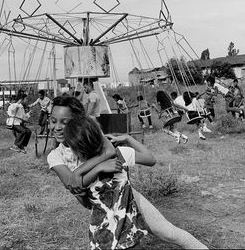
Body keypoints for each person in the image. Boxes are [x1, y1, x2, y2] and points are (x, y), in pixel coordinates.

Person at [47, 95, 208, 250]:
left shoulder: (91, 136)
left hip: (126, 198)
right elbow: (72, 184)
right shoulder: (55, 156)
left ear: (79, 122)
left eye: (65, 122)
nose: (58, 127)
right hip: (101, 210)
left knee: (168, 232)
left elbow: (110, 150)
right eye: (53, 121)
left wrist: (80, 172)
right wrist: (95, 168)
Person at [64, 116, 155, 249]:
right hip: (128, 235)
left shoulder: (78, 174)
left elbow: (86, 203)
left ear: (74, 148)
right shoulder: (120, 154)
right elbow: (151, 159)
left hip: (102, 238)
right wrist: (128, 138)